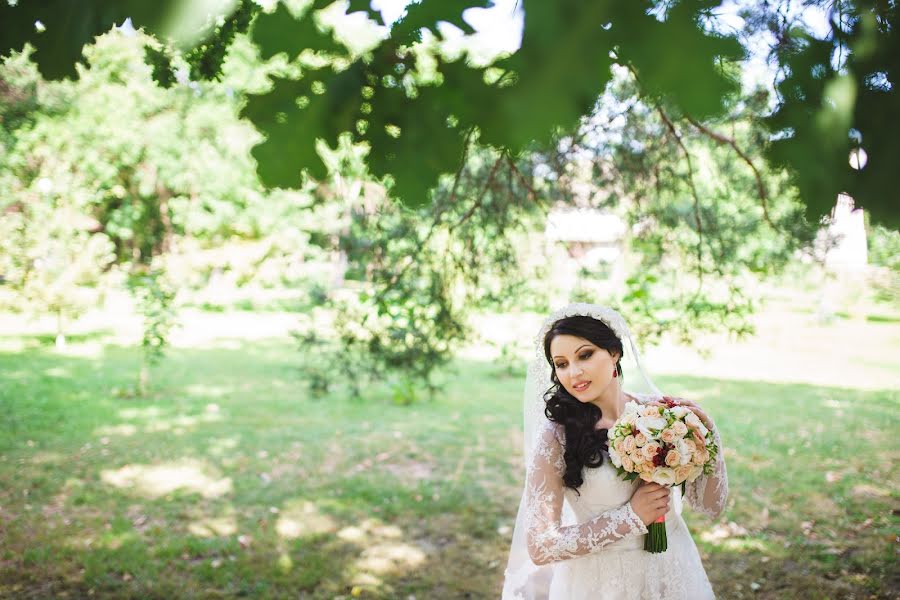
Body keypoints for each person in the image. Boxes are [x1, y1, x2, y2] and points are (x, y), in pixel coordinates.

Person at [502, 303, 729, 599]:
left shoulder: (664, 416)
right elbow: (541, 545)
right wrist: (631, 517)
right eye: (562, 363)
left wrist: (709, 437)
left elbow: (711, 507)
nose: (574, 373)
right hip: (601, 584)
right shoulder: (557, 437)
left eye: (585, 355)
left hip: (673, 569)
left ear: (614, 353)